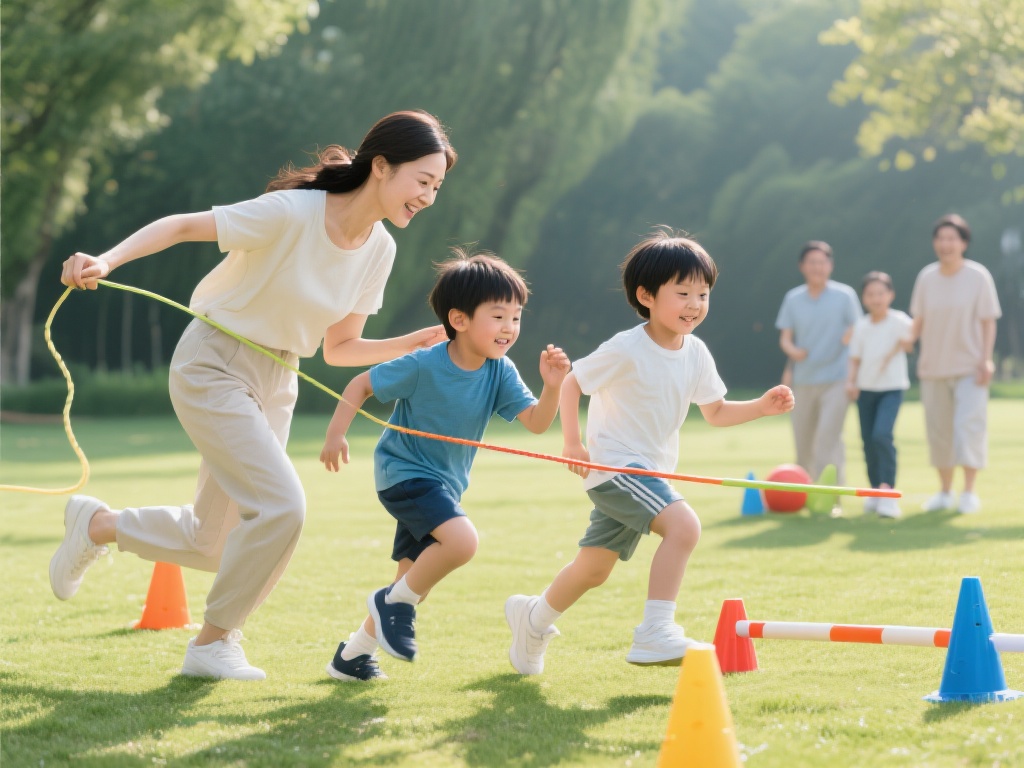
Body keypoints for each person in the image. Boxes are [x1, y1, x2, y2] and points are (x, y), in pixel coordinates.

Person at [50, 110, 457, 681]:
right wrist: (106, 260)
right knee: (283, 507)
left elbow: (339, 346)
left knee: (215, 543)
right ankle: (214, 643)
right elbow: (181, 226)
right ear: (383, 166)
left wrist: (411, 343)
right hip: (213, 363)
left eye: (437, 187)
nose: (429, 197)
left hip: (279, 378)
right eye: (423, 181)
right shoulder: (293, 212)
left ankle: (96, 526)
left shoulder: (379, 249)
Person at [504, 231, 794, 675]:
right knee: (684, 526)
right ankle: (655, 631)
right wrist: (573, 442)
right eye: (682, 293)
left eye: (703, 294)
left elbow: (715, 411)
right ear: (646, 296)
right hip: (616, 467)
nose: (695, 304)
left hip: (648, 473)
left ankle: (533, 619)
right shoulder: (628, 347)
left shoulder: (696, 352)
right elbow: (574, 381)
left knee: (594, 568)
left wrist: (761, 407)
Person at [320, 251, 570, 682]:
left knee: (412, 585)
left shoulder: (500, 371)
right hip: (404, 474)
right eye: (498, 316)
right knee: (462, 543)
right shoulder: (424, 363)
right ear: (459, 319)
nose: (509, 327)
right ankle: (390, 604)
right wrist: (335, 435)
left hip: (444, 485)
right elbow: (361, 384)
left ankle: (352, 657)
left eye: (516, 317)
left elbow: (537, 423)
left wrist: (553, 387)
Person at [908, 214, 1002, 514]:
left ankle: (969, 493)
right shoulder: (926, 277)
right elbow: (918, 320)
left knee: (968, 428)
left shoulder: (978, 276)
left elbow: (988, 321)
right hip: (933, 368)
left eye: (952, 238)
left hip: (970, 368)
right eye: (940, 238)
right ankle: (945, 492)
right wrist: (904, 341)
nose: (945, 244)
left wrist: (986, 359)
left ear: (964, 242)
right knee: (939, 433)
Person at [776, 241, 862, 494]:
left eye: (822, 262)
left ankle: (832, 496)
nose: (817, 267)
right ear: (802, 266)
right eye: (812, 262)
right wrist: (793, 351)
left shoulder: (845, 296)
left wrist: (850, 335)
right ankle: (804, 494)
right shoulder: (793, 299)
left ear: (830, 265)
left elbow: (860, 329)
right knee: (803, 443)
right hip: (803, 381)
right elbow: (785, 338)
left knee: (828, 440)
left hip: (837, 379)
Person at [845, 271, 912, 519]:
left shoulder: (900, 321)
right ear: (864, 298)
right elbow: (854, 358)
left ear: (890, 295)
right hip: (865, 390)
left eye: (881, 293)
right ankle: (874, 490)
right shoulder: (861, 326)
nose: (876, 299)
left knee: (882, 435)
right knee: (868, 442)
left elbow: (911, 342)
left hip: (891, 389)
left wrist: (907, 340)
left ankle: (888, 492)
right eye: (871, 294)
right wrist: (851, 382)